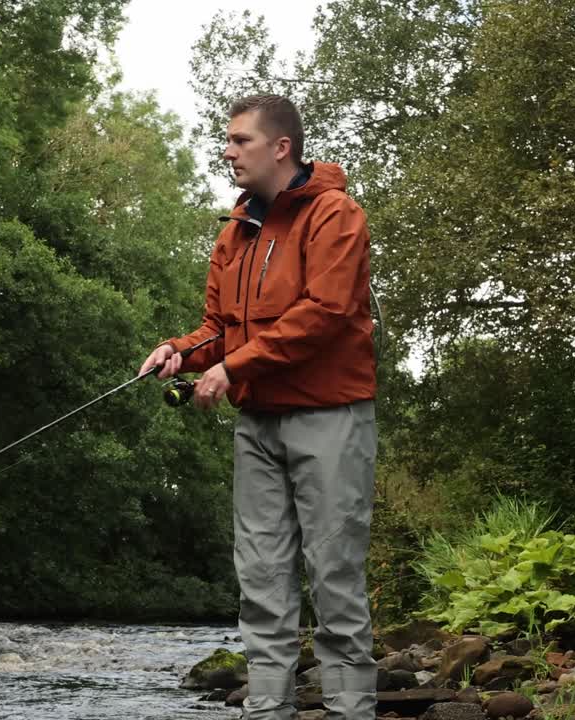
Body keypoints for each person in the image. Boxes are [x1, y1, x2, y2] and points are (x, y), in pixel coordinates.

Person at [138, 94, 377, 720]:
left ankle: (351, 711)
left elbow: (323, 315)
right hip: (258, 425)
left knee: (334, 574)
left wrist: (230, 367)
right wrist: (178, 351)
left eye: (240, 140)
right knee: (263, 579)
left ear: (281, 148)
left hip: (331, 416)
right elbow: (219, 326)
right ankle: (267, 710)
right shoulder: (235, 231)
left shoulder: (336, 216)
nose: (227, 150)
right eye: (227, 140)